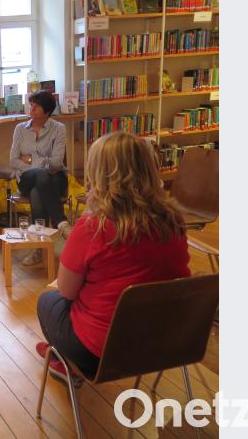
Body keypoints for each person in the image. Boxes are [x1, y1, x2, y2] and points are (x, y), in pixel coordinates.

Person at [35, 131, 190, 381]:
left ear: (99, 174)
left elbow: (66, 291)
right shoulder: (173, 220)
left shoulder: (92, 227)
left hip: (100, 352)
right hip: (163, 343)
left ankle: (64, 359)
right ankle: (61, 357)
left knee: (48, 301)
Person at [9, 90, 71, 266]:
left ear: (47, 111)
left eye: (36, 106)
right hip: (26, 179)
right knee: (40, 176)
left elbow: (58, 162)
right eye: (31, 104)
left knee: (38, 190)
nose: (32, 108)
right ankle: (61, 222)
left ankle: (38, 249)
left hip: (56, 179)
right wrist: (42, 164)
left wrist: (29, 159)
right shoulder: (20, 129)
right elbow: (13, 160)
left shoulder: (59, 129)